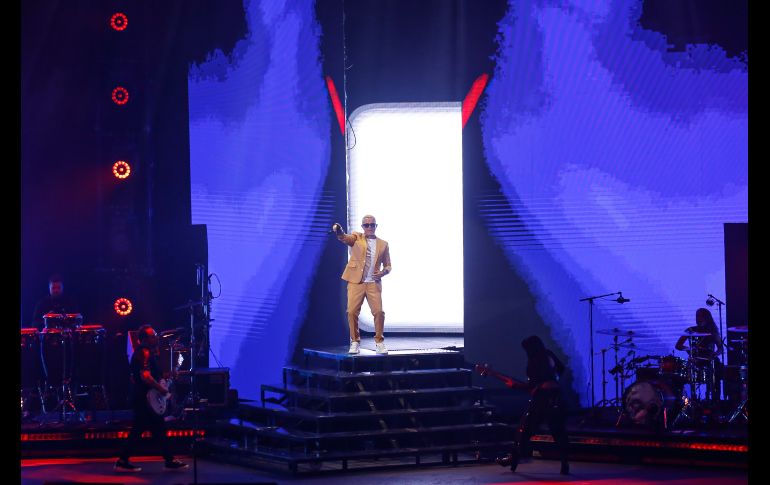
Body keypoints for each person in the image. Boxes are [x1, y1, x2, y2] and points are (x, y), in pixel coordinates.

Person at [114, 324, 188, 472]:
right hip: (145, 399)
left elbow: (152, 375)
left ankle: (168, 460)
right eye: (153, 336)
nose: (156, 338)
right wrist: (161, 389)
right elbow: (145, 376)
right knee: (146, 430)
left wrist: (169, 375)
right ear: (145, 339)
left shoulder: (147, 353)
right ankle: (124, 461)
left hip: (146, 398)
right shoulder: (144, 352)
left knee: (154, 430)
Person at [495, 335, 569, 475]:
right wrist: (553, 380)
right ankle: (565, 463)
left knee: (524, 429)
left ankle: (513, 459)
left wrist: (515, 386)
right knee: (559, 431)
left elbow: (531, 386)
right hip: (557, 397)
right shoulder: (549, 354)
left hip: (543, 399)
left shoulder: (534, 361)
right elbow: (561, 369)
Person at [332, 215, 392, 355]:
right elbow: (344, 238)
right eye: (366, 225)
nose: (369, 227)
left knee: (379, 312)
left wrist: (383, 272)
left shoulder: (383, 244)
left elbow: (388, 265)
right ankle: (355, 341)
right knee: (352, 312)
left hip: (373, 283)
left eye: (372, 225)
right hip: (356, 282)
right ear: (362, 227)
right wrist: (339, 230)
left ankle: (379, 342)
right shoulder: (356, 237)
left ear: (376, 226)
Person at [675, 307, 724, 402]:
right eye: (697, 316)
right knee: (679, 374)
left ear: (707, 318)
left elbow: (721, 348)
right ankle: (687, 400)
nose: (698, 319)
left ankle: (715, 400)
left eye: (701, 316)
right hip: (695, 360)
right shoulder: (690, 330)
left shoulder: (712, 331)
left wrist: (715, 354)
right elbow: (678, 345)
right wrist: (688, 349)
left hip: (709, 360)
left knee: (717, 368)